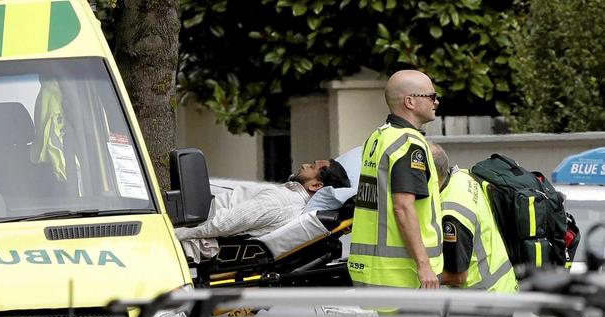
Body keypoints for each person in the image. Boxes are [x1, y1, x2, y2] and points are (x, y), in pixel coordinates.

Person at [348, 69, 443, 289]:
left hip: (371, 267)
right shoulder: (408, 144)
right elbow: (403, 207)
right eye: (431, 96)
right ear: (410, 102)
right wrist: (424, 265)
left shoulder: (378, 137)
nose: (436, 102)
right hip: (401, 274)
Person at [176, 159, 350, 262]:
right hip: (197, 215)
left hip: (192, 224)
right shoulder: (288, 195)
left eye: (312, 167)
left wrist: (176, 233)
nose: (305, 165)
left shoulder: (283, 201)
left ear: (316, 185)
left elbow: (224, 223)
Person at [429, 142, 518, 292]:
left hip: (486, 299)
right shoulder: (462, 177)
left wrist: (418, 277)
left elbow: (457, 277)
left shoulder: (452, 215)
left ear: (432, 176)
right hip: (503, 288)